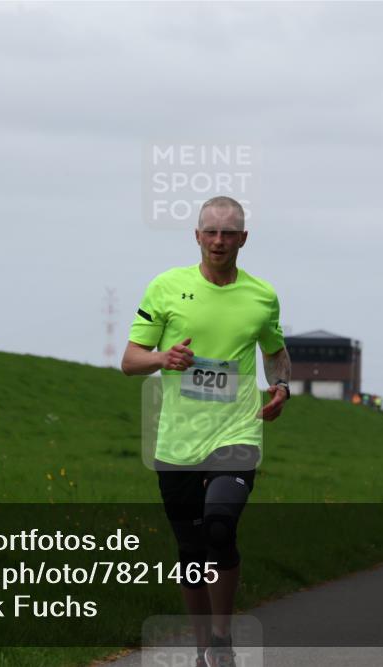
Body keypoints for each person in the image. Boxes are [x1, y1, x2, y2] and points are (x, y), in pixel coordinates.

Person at [121, 196, 290, 667]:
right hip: (177, 441)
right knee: (191, 551)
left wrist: (281, 386)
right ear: (196, 236)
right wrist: (163, 358)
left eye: (229, 233)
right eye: (211, 232)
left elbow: (275, 351)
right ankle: (202, 651)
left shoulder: (261, 295)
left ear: (243, 238)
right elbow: (130, 361)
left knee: (219, 525)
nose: (219, 241)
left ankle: (221, 639)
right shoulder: (166, 287)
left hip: (236, 433)